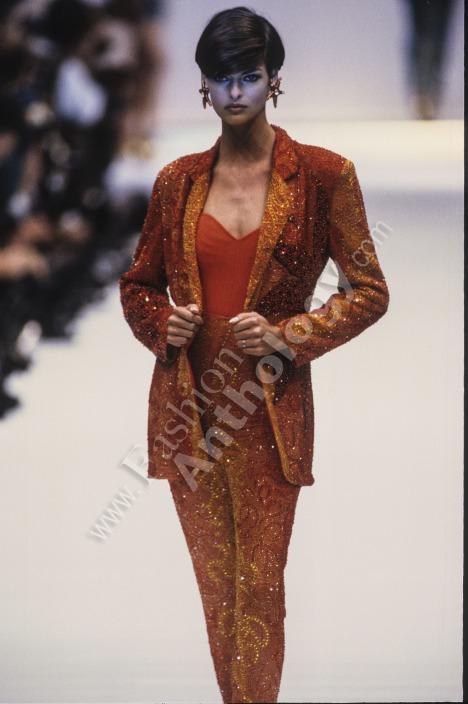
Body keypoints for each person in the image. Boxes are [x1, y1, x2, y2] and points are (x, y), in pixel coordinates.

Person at [119, 6, 390, 703]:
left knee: (260, 583)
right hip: (189, 406)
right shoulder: (177, 181)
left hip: (267, 404)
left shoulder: (324, 176)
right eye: (222, 77)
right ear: (203, 86)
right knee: (217, 587)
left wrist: (288, 335)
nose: (235, 91)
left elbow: (368, 290)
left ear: (274, 80)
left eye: (249, 75)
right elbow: (137, 284)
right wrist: (163, 323)